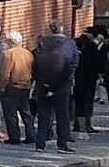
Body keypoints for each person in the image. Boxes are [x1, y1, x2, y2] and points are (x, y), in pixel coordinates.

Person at [30, 20, 78, 152]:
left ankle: (40, 144)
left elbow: (35, 66)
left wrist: (42, 82)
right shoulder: (69, 43)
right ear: (62, 29)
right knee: (62, 115)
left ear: (50, 29)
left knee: (43, 116)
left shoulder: (42, 43)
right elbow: (73, 64)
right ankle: (62, 143)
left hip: (43, 86)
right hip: (62, 86)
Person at [0, 31, 35, 145]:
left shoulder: (8, 54)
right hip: (25, 85)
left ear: (10, 41)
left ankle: (14, 136)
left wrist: (2, 87)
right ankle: (31, 134)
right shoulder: (28, 54)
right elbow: (32, 70)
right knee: (26, 112)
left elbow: (5, 74)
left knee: (11, 113)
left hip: (12, 86)